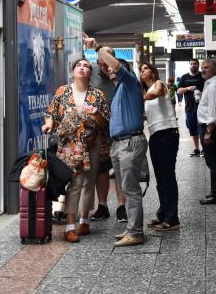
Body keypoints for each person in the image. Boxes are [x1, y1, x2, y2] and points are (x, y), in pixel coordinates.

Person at [84, 33, 147, 247]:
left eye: (113, 67)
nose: (108, 68)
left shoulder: (129, 83)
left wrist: (97, 48)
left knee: (130, 189)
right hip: (119, 144)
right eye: (105, 66)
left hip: (129, 143)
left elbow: (117, 66)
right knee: (126, 187)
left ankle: (136, 232)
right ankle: (131, 228)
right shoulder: (120, 89)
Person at [42, 59, 110, 243]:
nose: (82, 67)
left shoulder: (98, 95)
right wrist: (48, 125)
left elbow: (104, 123)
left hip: (92, 142)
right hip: (70, 144)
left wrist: (96, 113)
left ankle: (84, 219)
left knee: (90, 180)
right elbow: (52, 114)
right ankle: (70, 226)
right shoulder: (62, 92)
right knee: (75, 182)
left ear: (90, 73)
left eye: (86, 66)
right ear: (73, 71)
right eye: (79, 65)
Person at [83, 46, 127, 223]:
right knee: (101, 169)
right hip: (98, 129)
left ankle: (122, 206)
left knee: (119, 169)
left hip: (118, 128)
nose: (104, 65)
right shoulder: (91, 71)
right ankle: (102, 206)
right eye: (101, 61)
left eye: (107, 61)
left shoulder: (121, 74)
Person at [140, 63, 180, 231]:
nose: (143, 71)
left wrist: (138, 96)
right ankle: (163, 214)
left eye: (146, 69)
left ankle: (172, 219)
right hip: (155, 134)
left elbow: (155, 94)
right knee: (160, 178)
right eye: (141, 70)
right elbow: (144, 117)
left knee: (167, 176)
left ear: (153, 72)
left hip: (168, 133)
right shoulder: (145, 94)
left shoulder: (159, 84)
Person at [197, 59, 216, 205]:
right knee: (213, 162)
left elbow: (213, 112)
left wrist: (208, 132)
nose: (203, 70)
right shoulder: (209, 84)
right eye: (202, 67)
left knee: (214, 162)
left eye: (206, 68)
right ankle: (215, 192)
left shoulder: (214, 86)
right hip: (210, 128)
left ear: (214, 70)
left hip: (212, 129)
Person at [177, 59, 205, 157]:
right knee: (192, 128)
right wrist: (188, 88)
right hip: (189, 108)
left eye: (195, 64)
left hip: (202, 108)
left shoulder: (202, 76)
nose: (193, 65)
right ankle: (196, 149)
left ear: (198, 65)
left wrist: (201, 93)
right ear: (189, 65)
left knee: (202, 128)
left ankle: (204, 149)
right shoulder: (184, 77)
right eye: (191, 64)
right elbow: (179, 91)